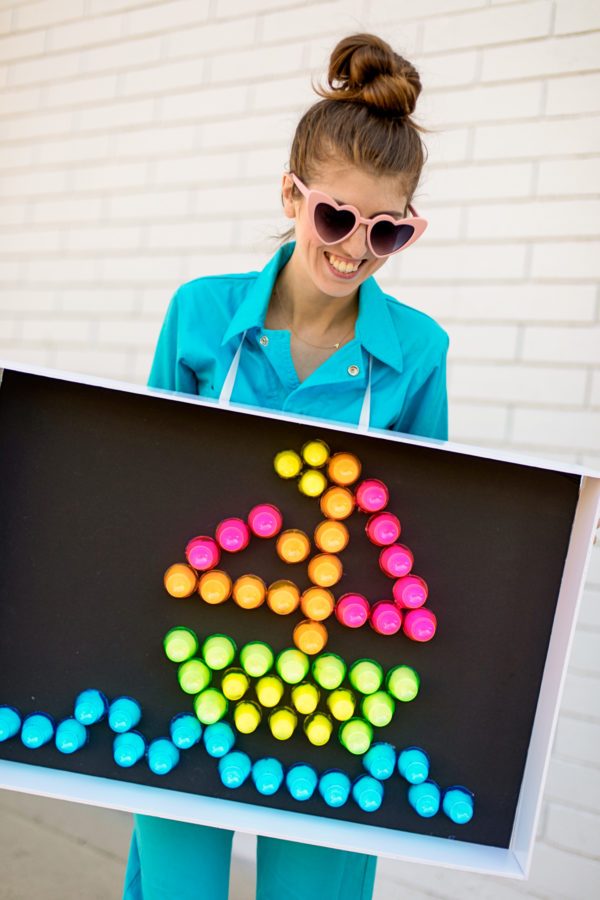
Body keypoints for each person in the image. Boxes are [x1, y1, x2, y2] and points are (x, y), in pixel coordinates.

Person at [123, 32, 448, 900]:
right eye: (336, 218)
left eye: (388, 231)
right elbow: (139, 491)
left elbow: (433, 532)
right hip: (182, 664)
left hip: (336, 696)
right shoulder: (199, 317)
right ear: (291, 195)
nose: (355, 249)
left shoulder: (418, 353)